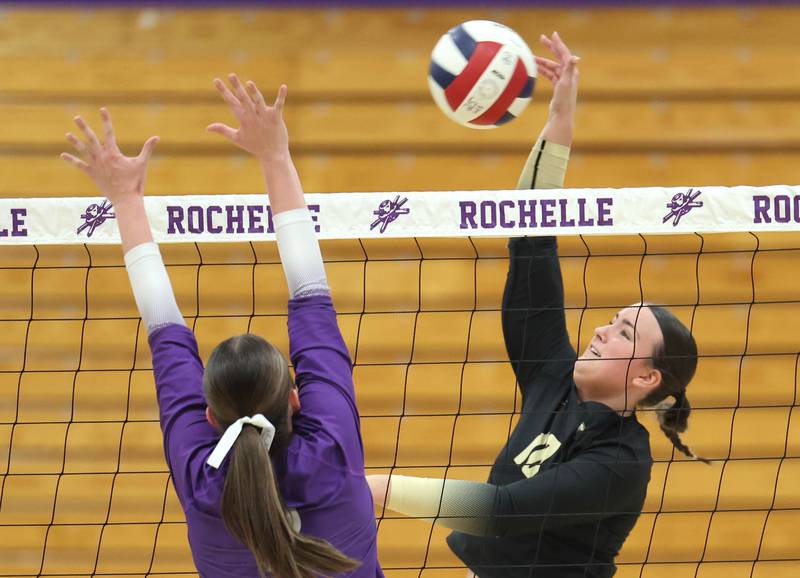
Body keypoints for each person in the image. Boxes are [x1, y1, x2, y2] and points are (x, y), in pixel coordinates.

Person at [367, 32, 708, 578]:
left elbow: (500, 514)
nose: (601, 330)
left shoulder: (621, 461)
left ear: (647, 378)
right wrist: (561, 116)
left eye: (624, 333)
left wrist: (376, 488)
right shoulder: (555, 376)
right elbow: (530, 232)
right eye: (614, 319)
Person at [62, 75, 383, 578]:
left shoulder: (203, 480)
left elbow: (171, 333)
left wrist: (124, 199)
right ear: (295, 400)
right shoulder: (330, 454)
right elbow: (308, 299)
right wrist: (276, 156)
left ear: (211, 418)